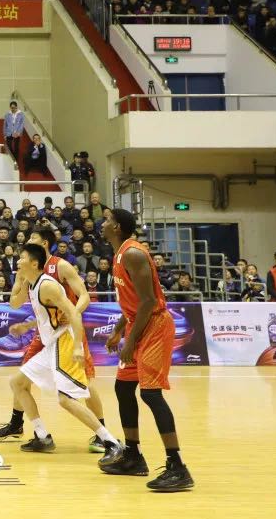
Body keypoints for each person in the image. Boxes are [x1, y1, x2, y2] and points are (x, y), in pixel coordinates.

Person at [99, 209, 194, 491]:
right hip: (136, 324)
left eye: (107, 219)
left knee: (150, 393)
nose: (103, 223)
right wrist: (119, 330)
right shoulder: (119, 254)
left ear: (117, 227)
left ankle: (178, 466)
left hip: (155, 326)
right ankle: (133, 456)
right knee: (123, 388)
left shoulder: (133, 253)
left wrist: (130, 342)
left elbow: (149, 301)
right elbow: (132, 301)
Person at [0, 226, 108, 453]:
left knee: (86, 380)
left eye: (32, 237)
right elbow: (15, 303)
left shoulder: (60, 266)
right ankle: (17, 423)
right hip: (44, 332)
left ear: (44, 243)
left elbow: (84, 295)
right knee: (23, 376)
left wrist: (72, 314)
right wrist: (21, 282)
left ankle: (102, 432)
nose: (28, 240)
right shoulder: (27, 269)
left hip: (67, 331)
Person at [7, 244, 123, 460]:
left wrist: (78, 345)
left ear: (34, 263)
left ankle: (111, 442)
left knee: (65, 399)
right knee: (18, 383)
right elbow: (21, 306)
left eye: (22, 258)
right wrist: (27, 324)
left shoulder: (47, 286)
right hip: (52, 343)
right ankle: (42, 436)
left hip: (64, 341)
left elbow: (73, 314)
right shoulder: (31, 284)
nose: (18, 261)